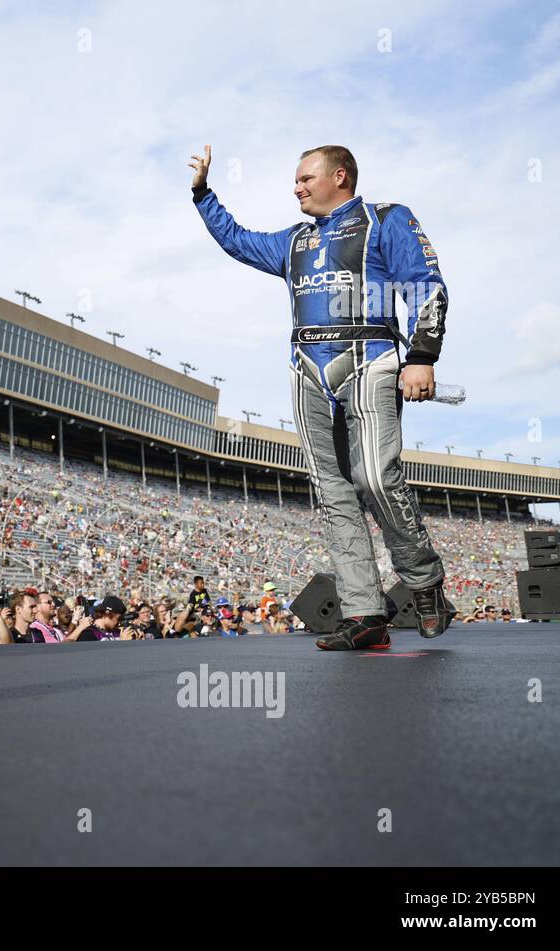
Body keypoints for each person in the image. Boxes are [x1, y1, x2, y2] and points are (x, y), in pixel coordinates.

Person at [189, 143, 451, 652]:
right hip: (306, 367)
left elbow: (427, 287)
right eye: (295, 180)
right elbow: (239, 241)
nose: (297, 187)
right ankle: (363, 613)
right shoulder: (295, 241)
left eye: (306, 177)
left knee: (374, 475)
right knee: (331, 492)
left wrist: (423, 355)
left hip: (371, 356)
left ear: (340, 175)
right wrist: (203, 195)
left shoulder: (386, 220)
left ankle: (424, 584)